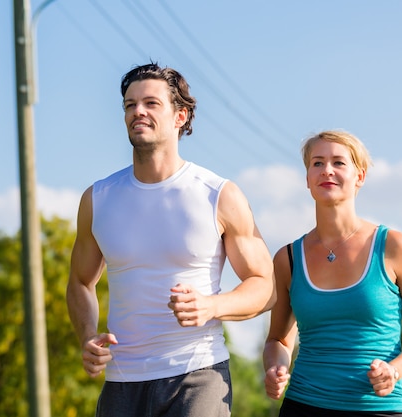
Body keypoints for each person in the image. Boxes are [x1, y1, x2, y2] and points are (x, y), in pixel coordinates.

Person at [66, 62, 275, 417]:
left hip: (197, 376)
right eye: (130, 105)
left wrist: (213, 306)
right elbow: (80, 282)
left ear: (181, 116)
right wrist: (86, 334)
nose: (138, 112)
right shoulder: (98, 198)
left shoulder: (218, 194)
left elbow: (266, 285)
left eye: (151, 103)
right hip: (121, 382)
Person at [263, 130, 402, 416]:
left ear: (359, 176)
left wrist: (394, 371)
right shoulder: (288, 259)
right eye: (318, 163)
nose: (327, 171)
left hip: (379, 407)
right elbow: (279, 340)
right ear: (308, 178)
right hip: (304, 404)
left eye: (339, 163)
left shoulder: (393, 246)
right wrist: (276, 367)